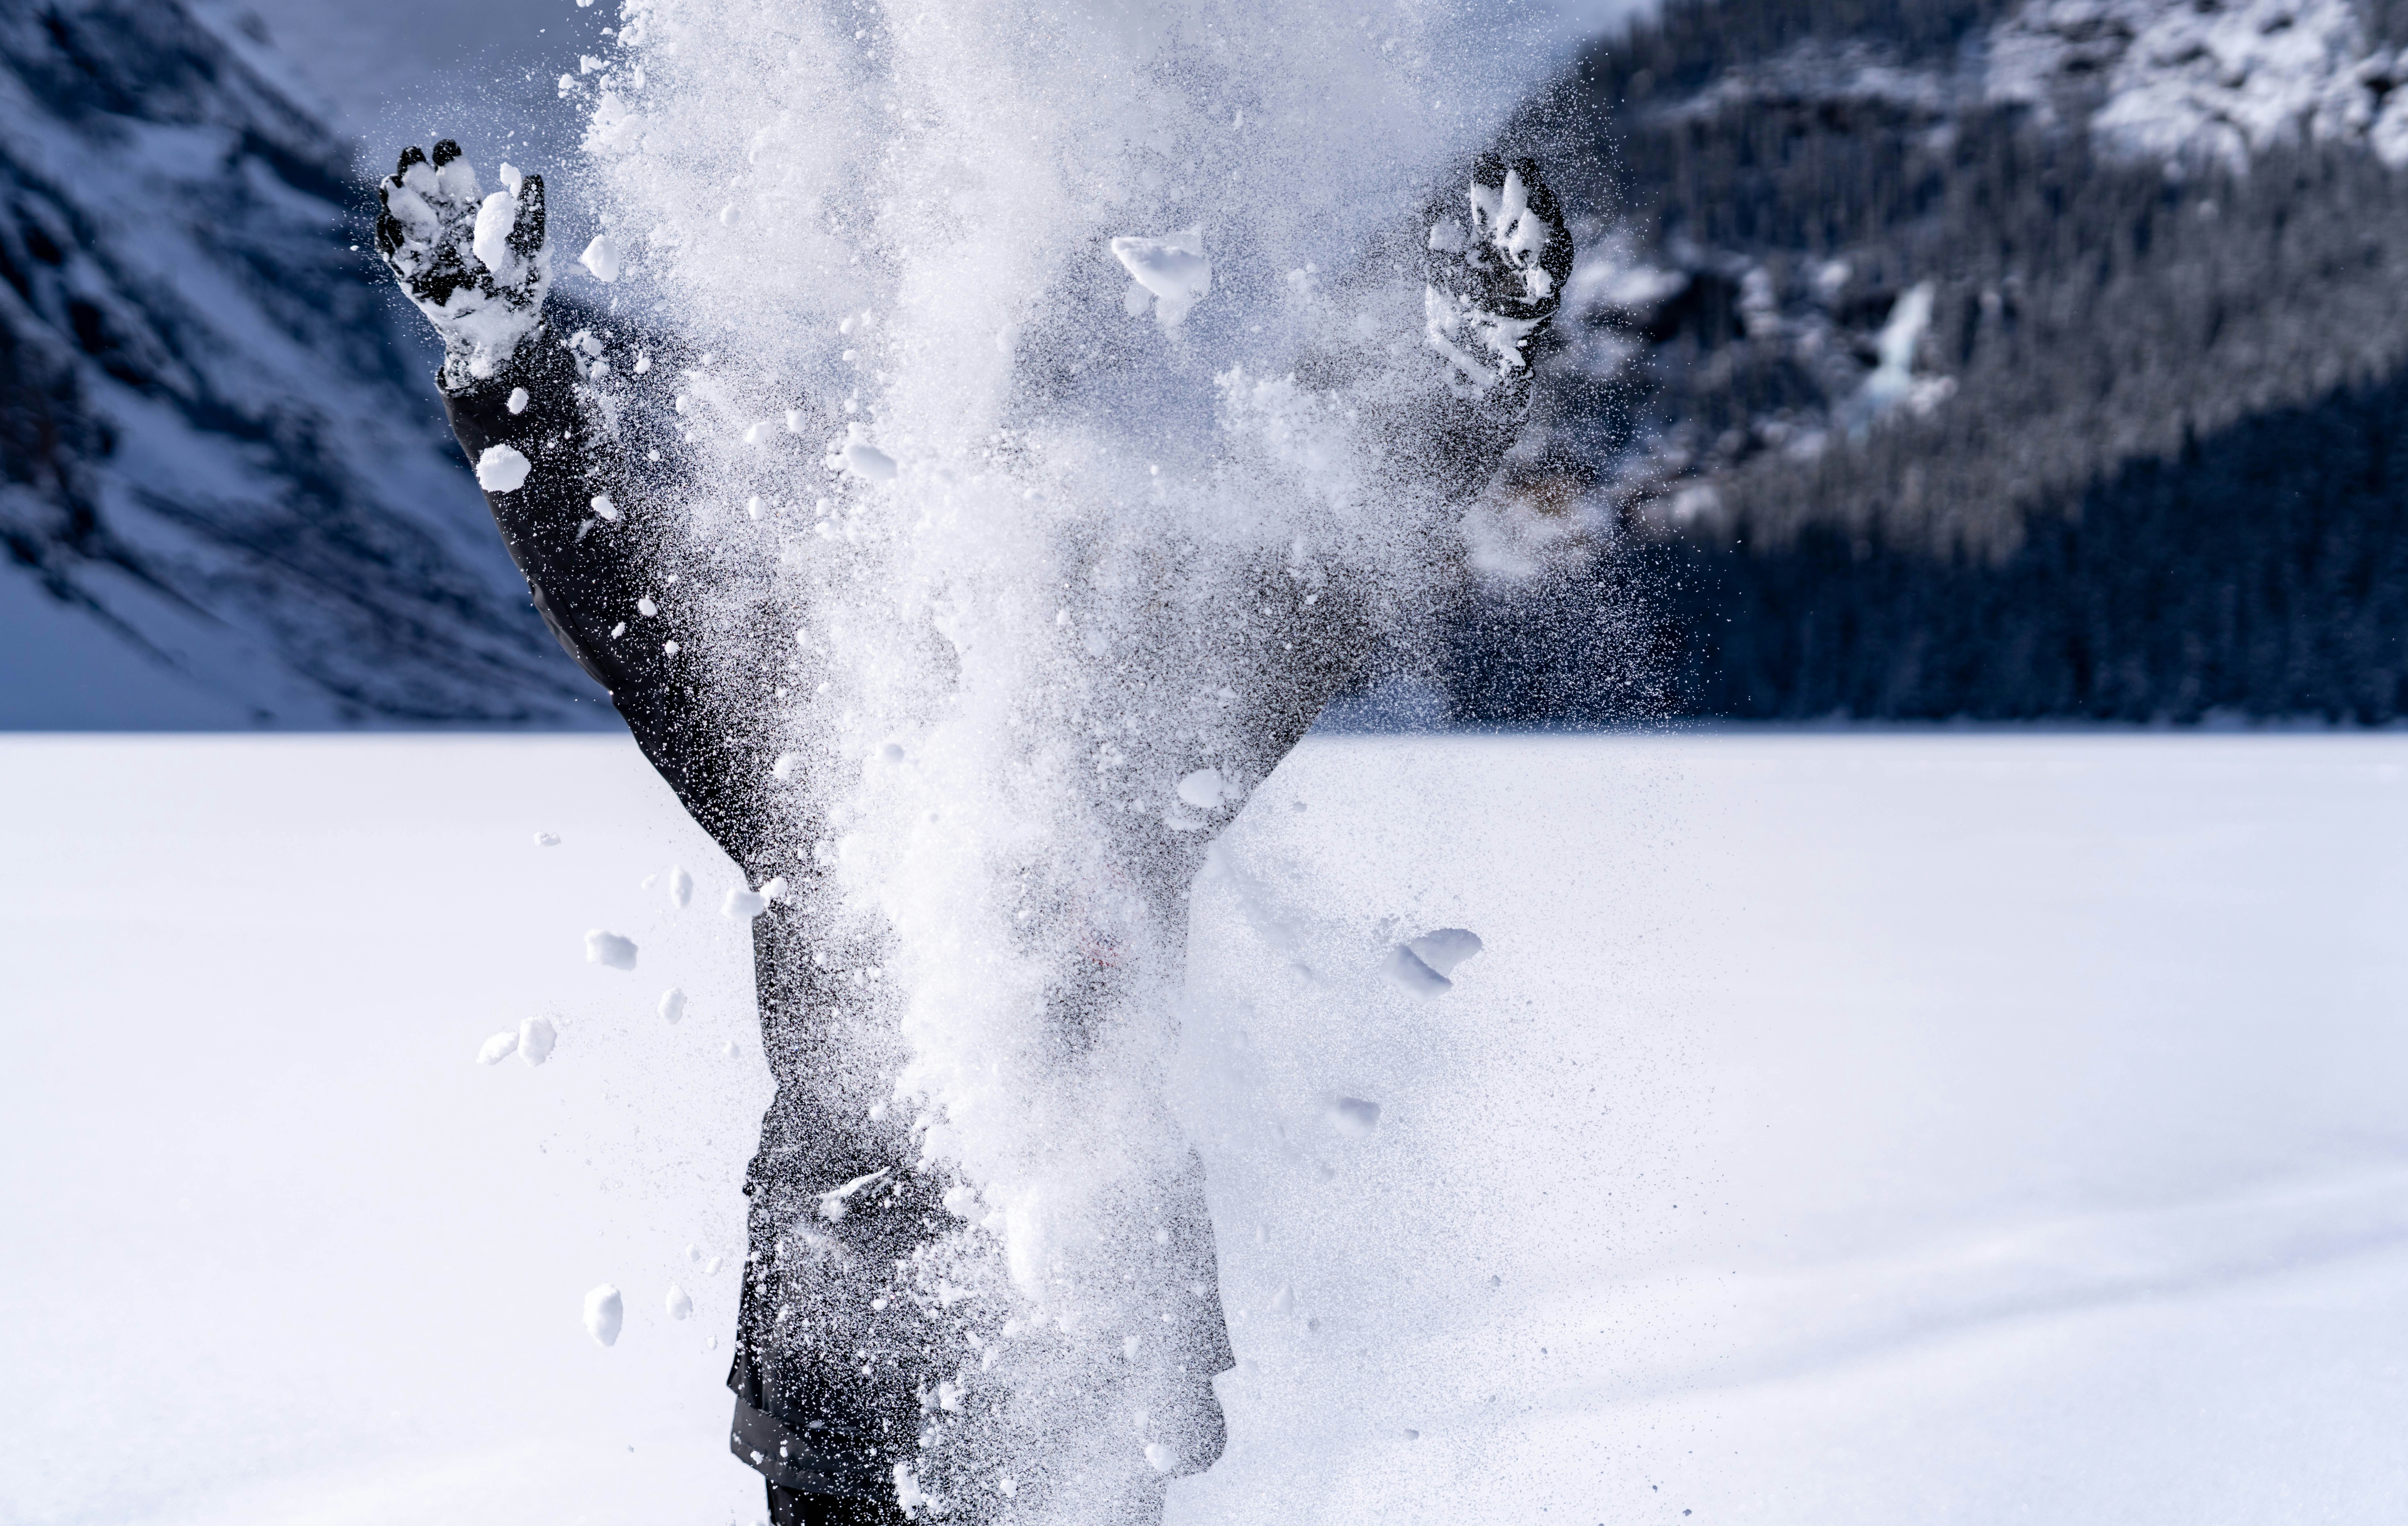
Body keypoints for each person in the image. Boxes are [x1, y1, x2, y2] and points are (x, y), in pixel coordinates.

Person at [375, 140, 1571, 1523]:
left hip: (1091, 1344)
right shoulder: (808, 778)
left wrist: (1473, 372)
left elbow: (1334, 586)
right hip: (844, 1370)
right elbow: (622, 598)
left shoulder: (1136, 765)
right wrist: (497, 363)